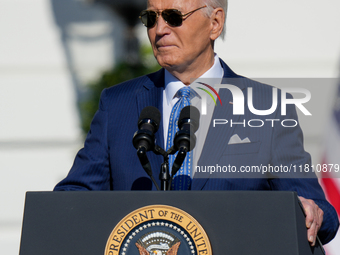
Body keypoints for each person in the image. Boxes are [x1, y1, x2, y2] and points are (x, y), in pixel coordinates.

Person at [54, 0, 339, 246]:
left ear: (215, 23)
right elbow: (73, 198)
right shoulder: (117, 105)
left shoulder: (267, 107)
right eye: (151, 18)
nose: (160, 29)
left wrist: (313, 212)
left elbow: (318, 211)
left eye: (174, 17)